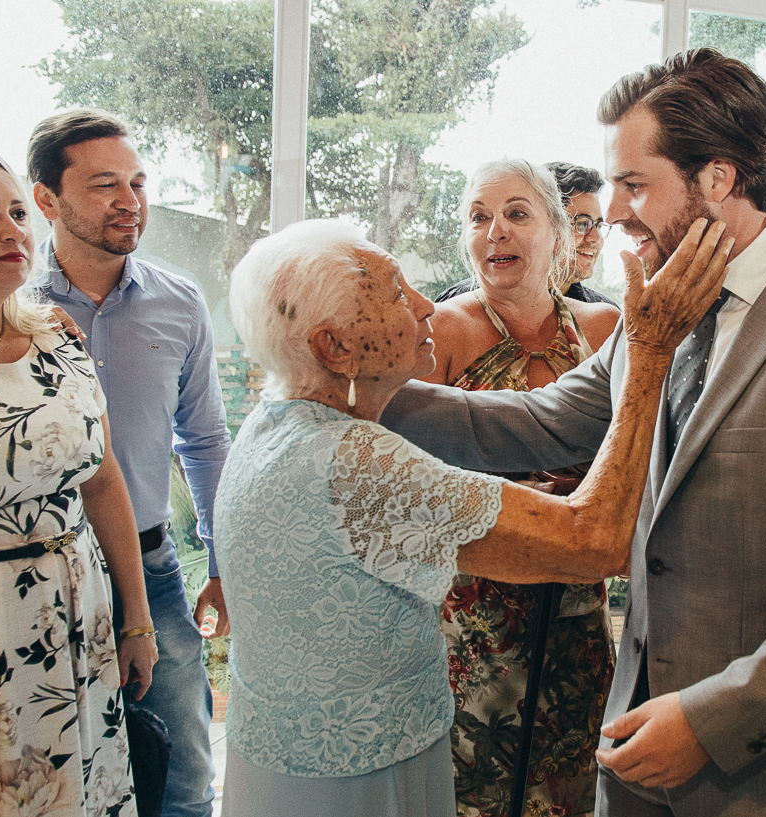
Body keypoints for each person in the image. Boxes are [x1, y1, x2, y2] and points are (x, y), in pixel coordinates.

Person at [382, 48, 766, 817]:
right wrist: (370, 397)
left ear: (718, 179)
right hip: (633, 757)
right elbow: (542, 419)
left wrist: (709, 718)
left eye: (634, 185)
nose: (614, 210)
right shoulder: (658, 309)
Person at [214, 216, 729, 817]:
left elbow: (538, 418)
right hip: (358, 784)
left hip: (280, 763)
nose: (426, 304)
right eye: (396, 292)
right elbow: (592, 542)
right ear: (335, 346)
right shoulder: (357, 465)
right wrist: (648, 351)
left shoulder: (273, 418)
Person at [27, 109, 231, 817]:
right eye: (105, 184)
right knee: (50, 771)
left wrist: (222, 561)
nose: (130, 201)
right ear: (46, 199)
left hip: (152, 568)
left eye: (138, 182)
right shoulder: (9, 306)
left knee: (184, 775)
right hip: (38, 576)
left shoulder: (180, 301)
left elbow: (204, 440)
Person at [424, 159, 620, 817]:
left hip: (574, 614)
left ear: (557, 235)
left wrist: (586, 481)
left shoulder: (602, 331)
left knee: (572, 791)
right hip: (471, 624)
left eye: (516, 213)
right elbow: (406, 474)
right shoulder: (442, 333)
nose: (495, 232)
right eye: (478, 217)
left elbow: (636, 457)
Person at [0, 150, 157, 816]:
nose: (12, 230)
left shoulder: (57, 336)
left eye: (17, 212)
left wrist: (136, 618)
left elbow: (103, 478)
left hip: (78, 613)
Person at [437, 161, 617, 306]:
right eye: (581, 224)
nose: (595, 238)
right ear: (554, 228)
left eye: (598, 226)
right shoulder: (452, 307)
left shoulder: (605, 320)